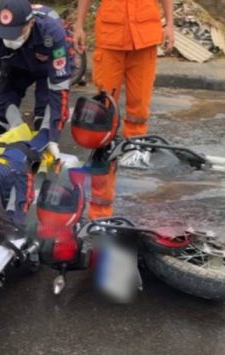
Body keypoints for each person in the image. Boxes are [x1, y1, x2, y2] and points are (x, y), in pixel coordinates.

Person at [73, 0, 174, 220]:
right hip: (111, 40)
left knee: (139, 112)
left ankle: (136, 156)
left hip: (144, 38)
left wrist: (169, 24)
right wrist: (79, 25)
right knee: (102, 127)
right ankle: (99, 212)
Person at [0, 0, 72, 158]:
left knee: (43, 118)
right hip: (14, 66)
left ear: (31, 23)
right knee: (1, 114)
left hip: (47, 69)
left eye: (17, 32)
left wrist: (53, 137)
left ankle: (42, 143)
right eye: (6, 32)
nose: (11, 38)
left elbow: (59, 88)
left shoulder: (52, 33)